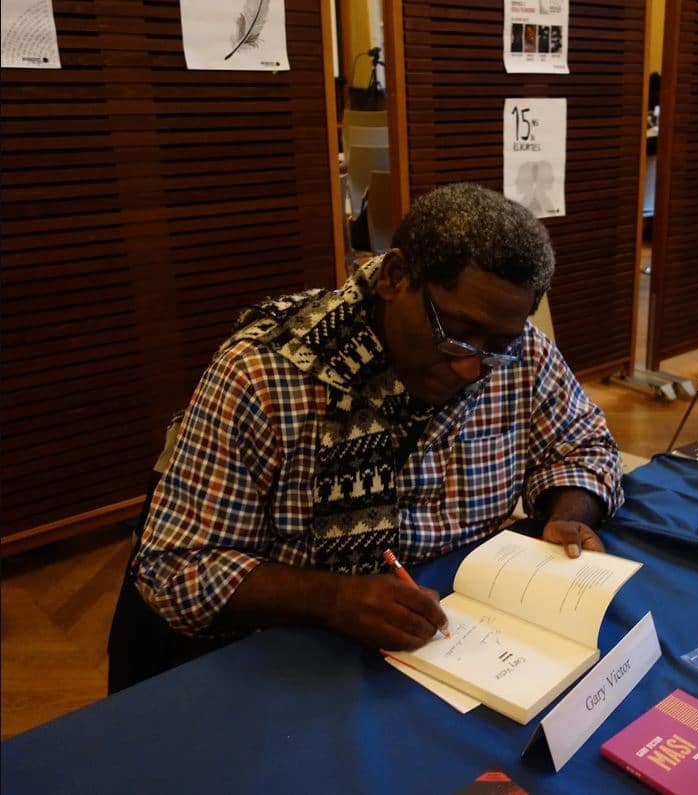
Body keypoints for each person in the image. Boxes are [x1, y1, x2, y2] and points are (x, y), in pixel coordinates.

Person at [134, 183, 624, 656]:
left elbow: (585, 447)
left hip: (469, 630)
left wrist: (567, 515)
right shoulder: (263, 376)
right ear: (394, 277)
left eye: (496, 345)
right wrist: (332, 598)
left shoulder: (518, 354)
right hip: (301, 648)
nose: (470, 368)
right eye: (455, 333)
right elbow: (176, 569)